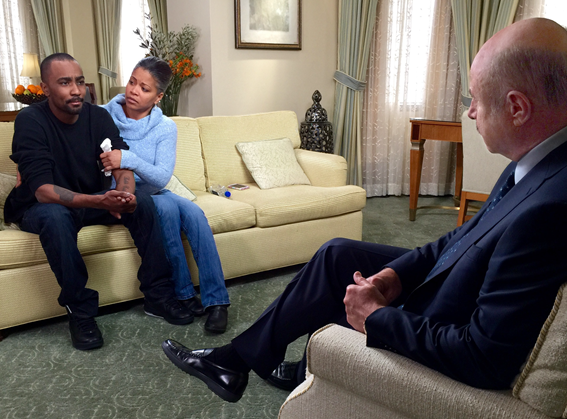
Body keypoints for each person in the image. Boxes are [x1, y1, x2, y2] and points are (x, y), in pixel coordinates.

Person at [160, 17, 567, 403]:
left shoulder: (549, 210)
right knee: (339, 253)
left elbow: (483, 357)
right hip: (459, 277)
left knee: (350, 292)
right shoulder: (535, 161)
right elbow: (461, 239)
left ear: (517, 108)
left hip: (444, 316)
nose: (471, 112)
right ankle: (245, 361)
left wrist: (375, 316)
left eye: (476, 99)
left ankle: (297, 368)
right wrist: (395, 275)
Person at [4, 53, 193, 351]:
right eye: (64, 83)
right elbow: (42, 190)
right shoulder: (30, 120)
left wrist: (125, 195)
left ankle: (158, 295)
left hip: (90, 200)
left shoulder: (98, 117)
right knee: (55, 217)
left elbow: (121, 164)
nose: (76, 90)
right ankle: (80, 313)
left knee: (143, 202)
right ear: (46, 88)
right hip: (40, 206)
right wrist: (101, 202)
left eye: (79, 82)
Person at [101, 57, 230, 333]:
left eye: (144, 88)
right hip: (130, 194)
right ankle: (183, 294)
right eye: (132, 82)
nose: (134, 91)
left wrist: (127, 158)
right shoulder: (103, 115)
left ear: (158, 97)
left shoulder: (165, 127)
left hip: (156, 189)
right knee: (168, 210)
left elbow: (161, 177)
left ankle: (217, 302)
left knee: (195, 214)